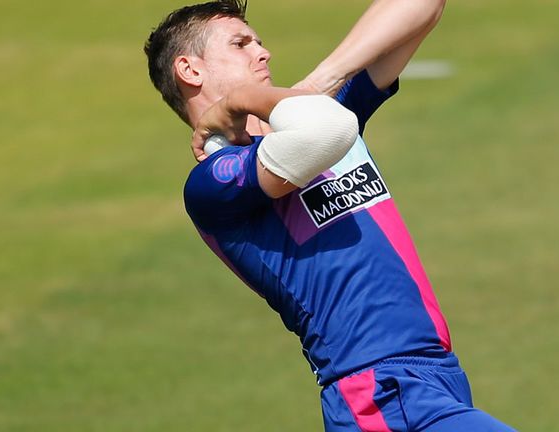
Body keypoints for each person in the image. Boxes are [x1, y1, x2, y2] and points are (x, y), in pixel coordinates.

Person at [144, 1, 517, 430]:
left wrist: (320, 81)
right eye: (241, 44)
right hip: (381, 394)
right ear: (190, 70)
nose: (263, 53)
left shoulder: (318, 111)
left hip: (434, 377)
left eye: (259, 43)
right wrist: (245, 99)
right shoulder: (213, 183)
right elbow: (325, 133)